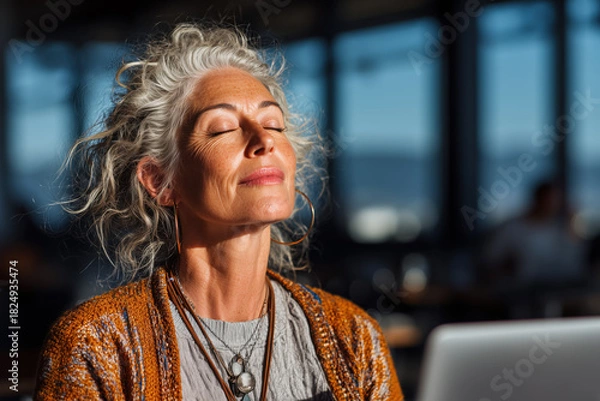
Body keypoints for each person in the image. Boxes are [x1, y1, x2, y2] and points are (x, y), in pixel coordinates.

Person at [34, 23, 403, 401]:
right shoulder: (97, 344)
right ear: (161, 180)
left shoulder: (355, 337)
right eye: (223, 129)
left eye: (274, 124)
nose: (264, 141)